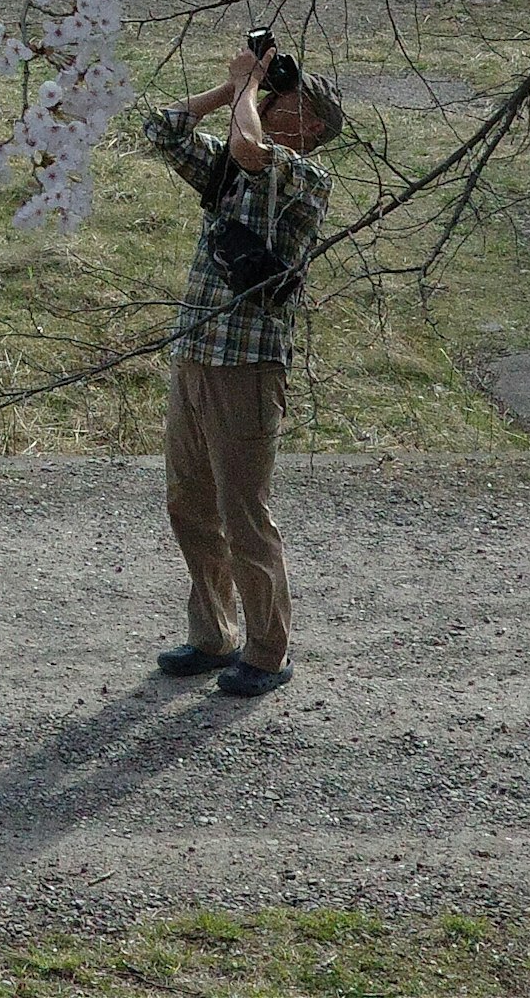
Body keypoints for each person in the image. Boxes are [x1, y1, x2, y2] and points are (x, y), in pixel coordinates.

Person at [143, 36, 340, 697]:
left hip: (248, 366)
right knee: (188, 503)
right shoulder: (237, 165)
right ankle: (213, 633)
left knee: (244, 512)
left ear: (309, 126)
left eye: (286, 100)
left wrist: (250, 93)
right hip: (197, 355)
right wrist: (229, 91)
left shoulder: (305, 178)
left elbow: (251, 150)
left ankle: (267, 649)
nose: (272, 103)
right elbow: (161, 130)